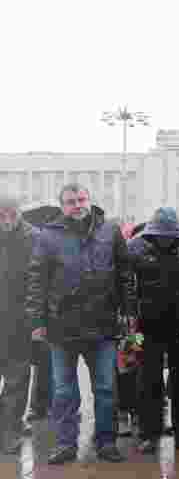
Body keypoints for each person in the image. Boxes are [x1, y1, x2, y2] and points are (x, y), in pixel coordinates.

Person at [25, 183, 136, 464]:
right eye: (71, 201)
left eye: (81, 199)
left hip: (103, 325)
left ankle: (106, 442)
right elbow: (37, 280)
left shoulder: (109, 231)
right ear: (62, 206)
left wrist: (129, 311)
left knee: (106, 388)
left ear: (90, 200)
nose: (77, 205)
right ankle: (65, 444)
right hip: (62, 328)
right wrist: (37, 320)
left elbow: (125, 274)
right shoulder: (48, 236)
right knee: (63, 390)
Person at [125, 208, 179, 455]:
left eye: (171, 236)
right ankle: (149, 434)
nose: (166, 240)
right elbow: (126, 283)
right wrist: (130, 321)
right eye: (162, 235)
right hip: (146, 326)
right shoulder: (135, 248)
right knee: (148, 380)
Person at [0, 196, 34, 454]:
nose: (7, 220)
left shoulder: (33, 238)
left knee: (18, 379)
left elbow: (40, 279)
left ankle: (9, 431)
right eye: (1, 215)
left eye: (11, 214)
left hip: (20, 321)